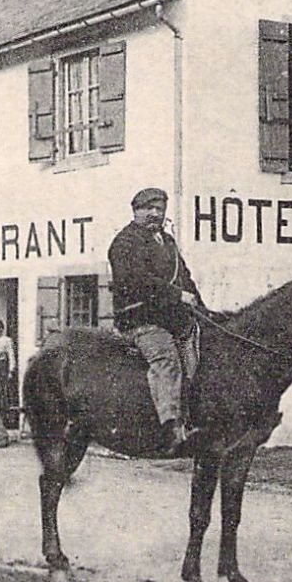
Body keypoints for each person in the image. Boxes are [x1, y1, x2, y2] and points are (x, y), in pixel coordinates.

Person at [108, 186, 207, 455]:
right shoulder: (124, 243)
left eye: (159, 209)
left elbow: (185, 276)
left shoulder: (168, 242)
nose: (155, 214)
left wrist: (201, 307)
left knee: (198, 357)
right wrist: (178, 295)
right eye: (148, 208)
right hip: (140, 320)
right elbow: (138, 281)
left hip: (171, 318)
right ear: (135, 211)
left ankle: (196, 419)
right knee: (166, 360)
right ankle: (171, 428)